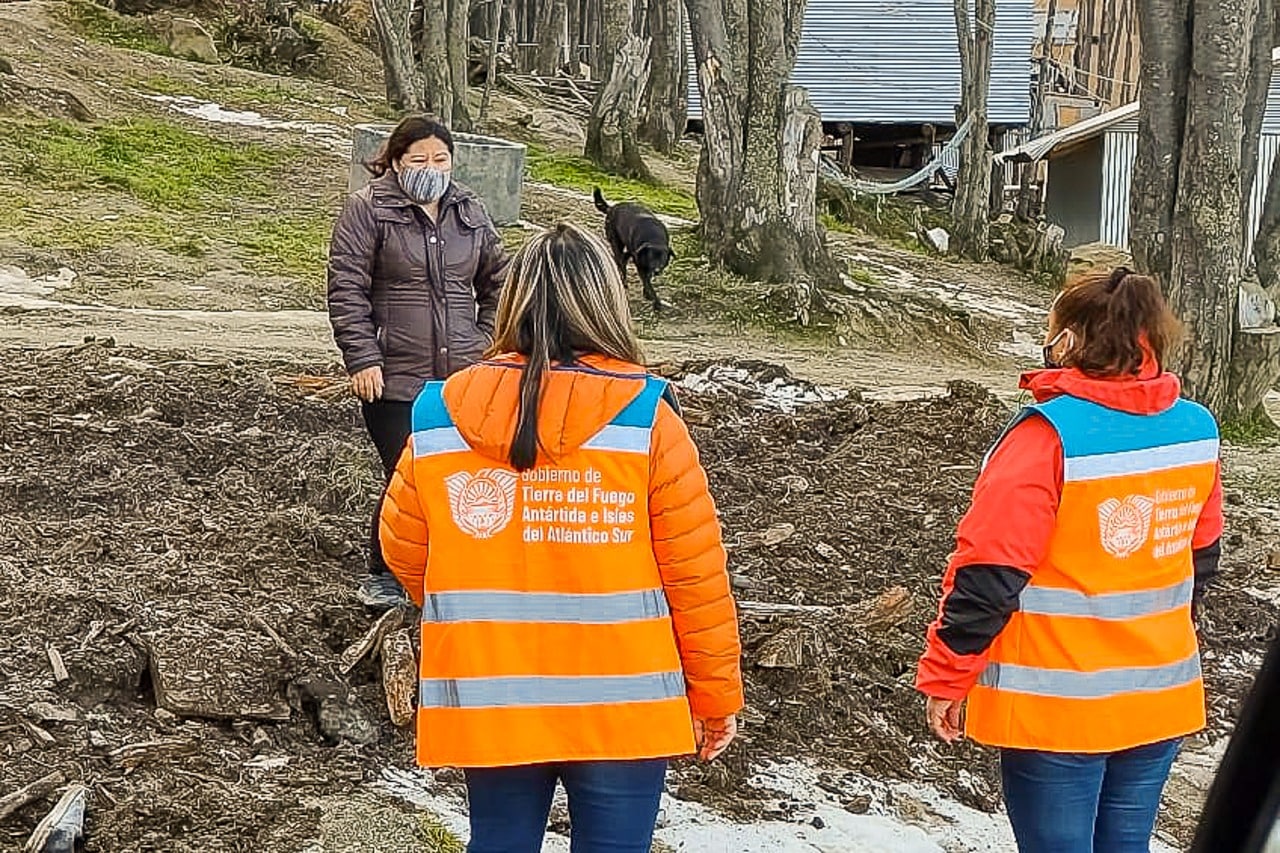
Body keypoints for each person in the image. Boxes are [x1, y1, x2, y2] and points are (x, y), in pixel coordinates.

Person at [378, 222, 744, 853]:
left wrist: (483, 586)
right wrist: (715, 695)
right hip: (625, 702)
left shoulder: (438, 414)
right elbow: (695, 573)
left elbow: (407, 553)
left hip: (492, 692)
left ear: (512, 301)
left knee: (498, 842)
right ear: (607, 302)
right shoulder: (647, 417)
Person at [916, 267, 1225, 852]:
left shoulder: (1047, 438)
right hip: (1159, 695)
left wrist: (949, 675)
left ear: (1073, 340)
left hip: (1059, 709)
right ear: (1149, 339)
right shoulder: (1196, 429)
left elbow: (991, 572)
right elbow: (1200, 558)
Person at [327, 115, 509, 608]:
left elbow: (499, 282)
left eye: (441, 159)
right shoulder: (368, 210)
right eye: (419, 159)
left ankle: (452, 570)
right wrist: (363, 358)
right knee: (407, 472)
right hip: (393, 375)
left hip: (463, 376)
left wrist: (487, 341)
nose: (431, 168)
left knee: (460, 473)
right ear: (396, 160)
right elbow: (346, 289)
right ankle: (385, 571)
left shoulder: (469, 209)